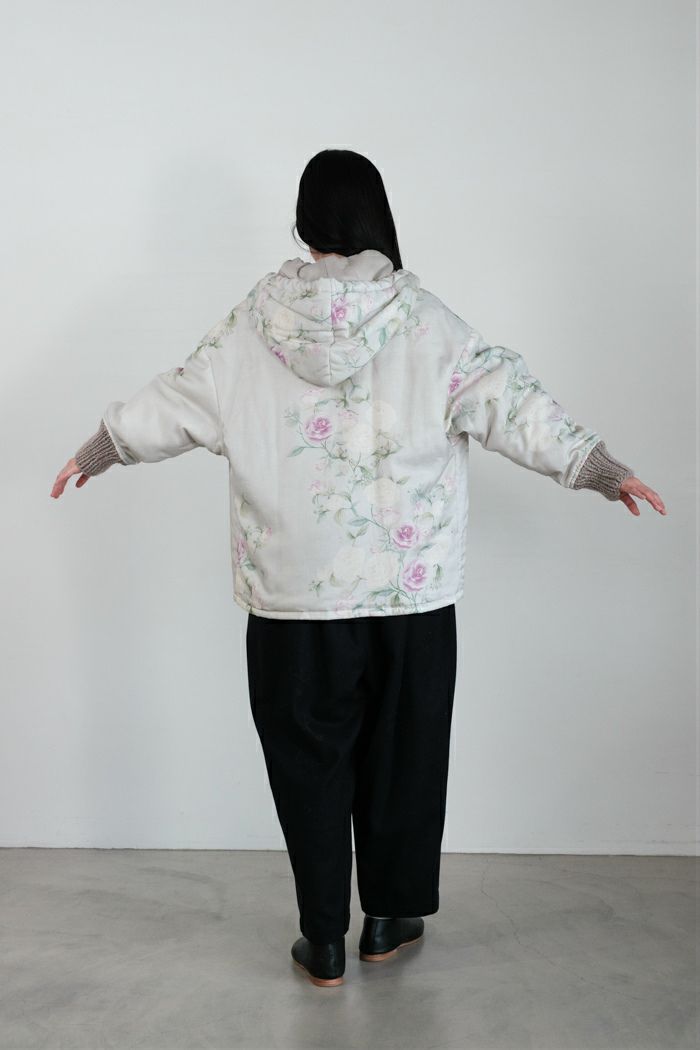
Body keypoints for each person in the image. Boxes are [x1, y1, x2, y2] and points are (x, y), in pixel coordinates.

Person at [51, 148, 666, 989]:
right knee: (403, 757)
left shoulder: (252, 325)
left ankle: (323, 939)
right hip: (410, 596)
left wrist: (101, 449)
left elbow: (179, 399)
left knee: (307, 763)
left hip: (292, 601)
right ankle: (387, 919)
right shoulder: (425, 320)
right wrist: (599, 469)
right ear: (375, 217)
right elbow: (508, 401)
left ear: (305, 225)